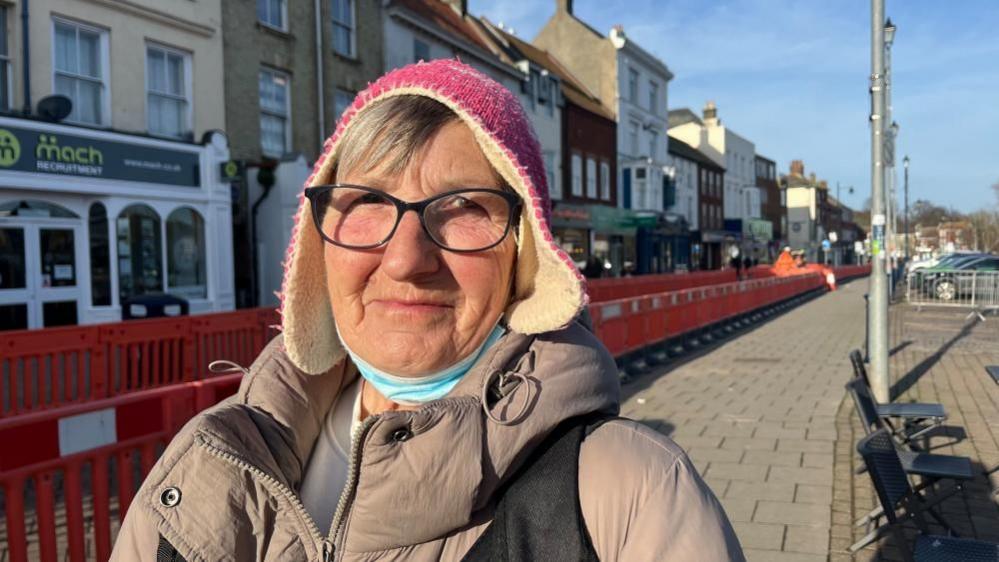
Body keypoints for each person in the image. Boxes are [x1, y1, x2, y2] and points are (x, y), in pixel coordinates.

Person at [110, 60, 743, 561]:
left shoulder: (631, 496)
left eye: (465, 208)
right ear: (317, 245)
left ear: (523, 255)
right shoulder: (207, 464)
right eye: (366, 203)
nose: (406, 259)